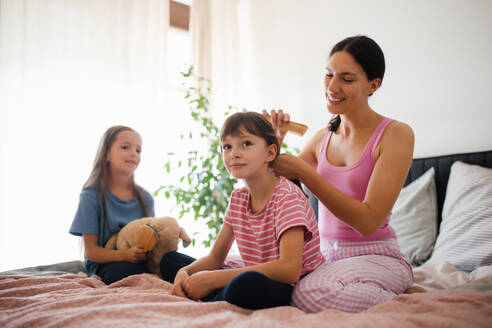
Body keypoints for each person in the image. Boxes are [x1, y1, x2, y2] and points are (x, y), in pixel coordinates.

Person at [265, 35, 415, 313]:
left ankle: (403, 300)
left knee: (308, 296)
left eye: (346, 79)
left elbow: (368, 222)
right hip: (324, 256)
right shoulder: (322, 137)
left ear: (374, 85)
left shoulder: (396, 134)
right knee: (245, 267)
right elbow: (276, 193)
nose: (332, 87)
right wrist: (274, 142)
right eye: (329, 75)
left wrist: (307, 175)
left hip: (376, 257)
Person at [160, 112, 324, 310]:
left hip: (283, 283)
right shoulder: (239, 198)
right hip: (251, 272)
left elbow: (289, 270)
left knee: (244, 286)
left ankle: (215, 293)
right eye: (227, 146)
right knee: (171, 262)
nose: (234, 153)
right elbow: (215, 258)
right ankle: (211, 291)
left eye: (246, 144)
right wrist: (185, 272)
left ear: (270, 153)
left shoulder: (287, 197)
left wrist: (214, 279)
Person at [70, 125, 155, 285]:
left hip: (140, 261)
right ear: (107, 154)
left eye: (138, 150)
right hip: (105, 265)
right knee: (129, 272)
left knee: (176, 263)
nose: (133, 154)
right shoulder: (90, 196)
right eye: (125, 147)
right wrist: (125, 255)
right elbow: (92, 252)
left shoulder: (146, 198)